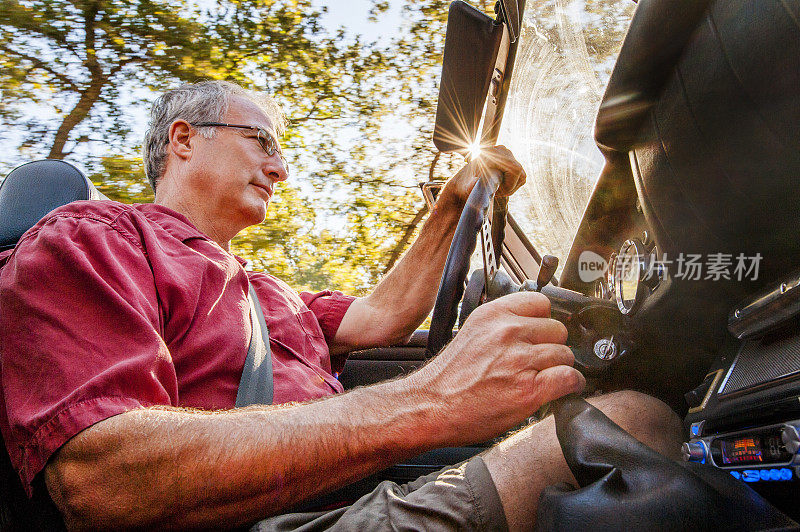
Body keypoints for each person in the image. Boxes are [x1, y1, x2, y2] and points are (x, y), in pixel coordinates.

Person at [0, 81, 683, 530]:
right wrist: (432, 403)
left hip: (343, 499)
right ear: (184, 139)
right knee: (627, 427)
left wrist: (450, 207)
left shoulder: (271, 290)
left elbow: (382, 319)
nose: (280, 167)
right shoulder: (93, 239)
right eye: (260, 140)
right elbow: (103, 481)